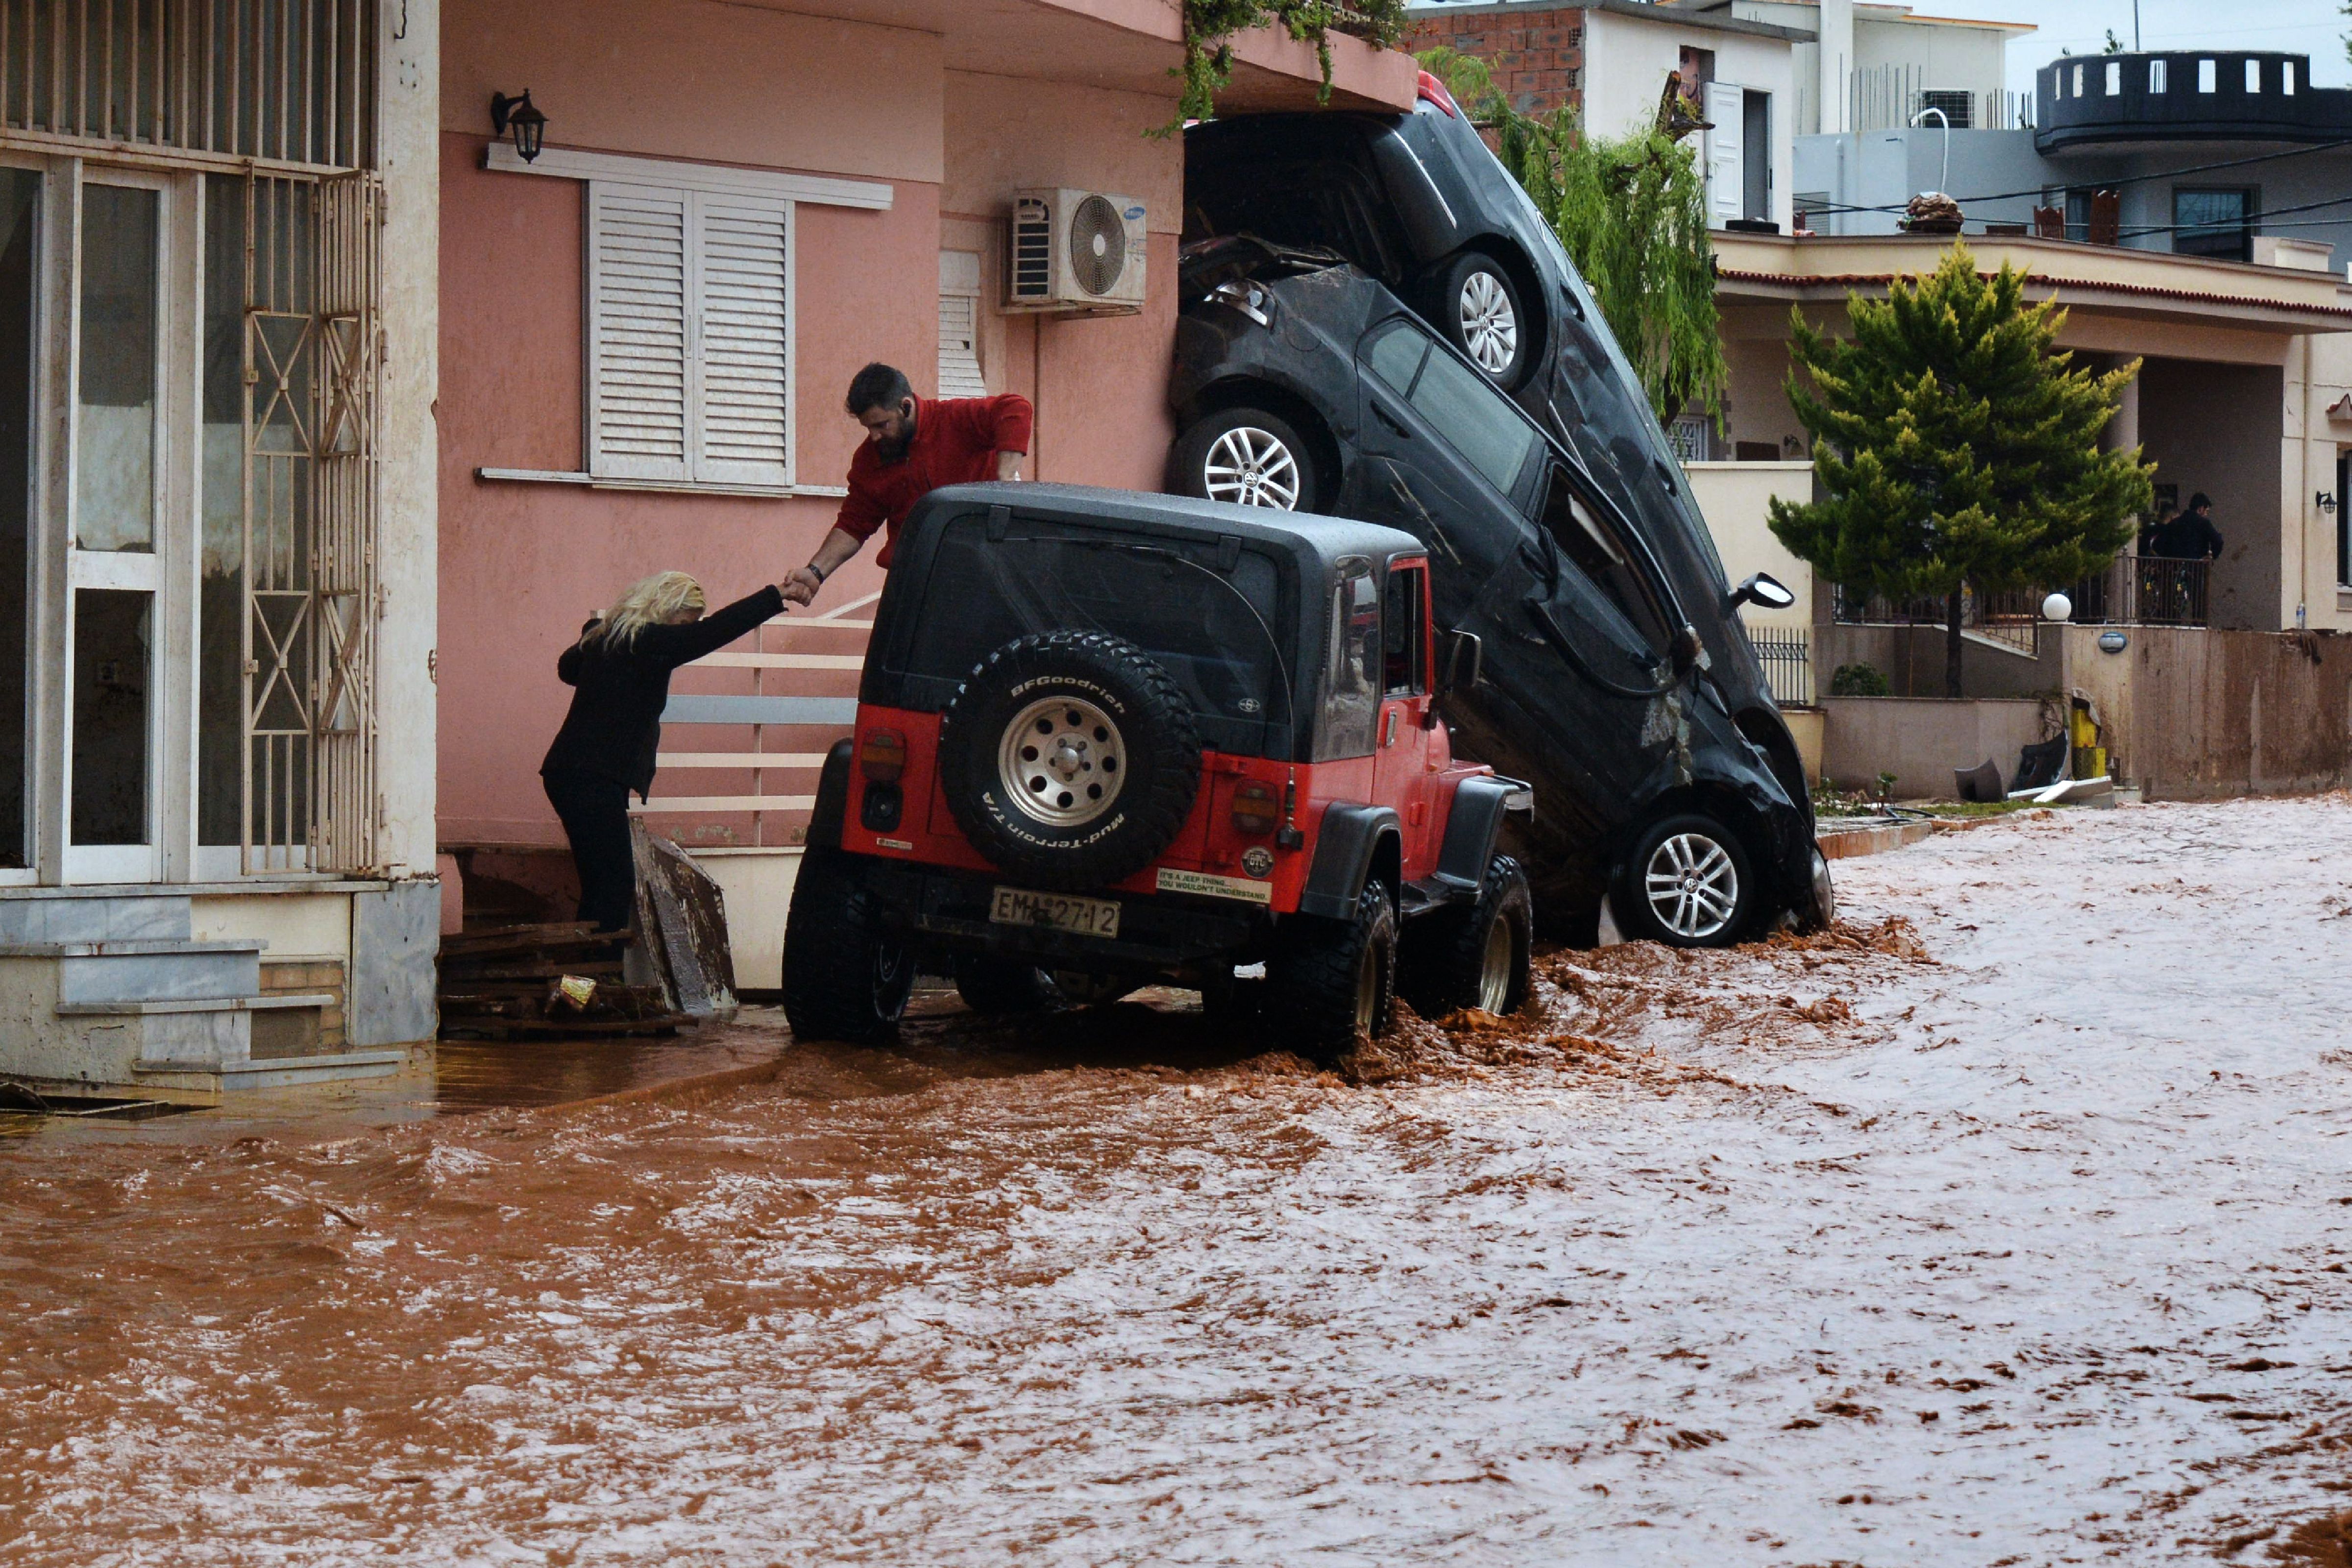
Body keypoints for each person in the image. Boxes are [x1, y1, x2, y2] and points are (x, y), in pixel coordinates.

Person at [541, 571, 787, 932]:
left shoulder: (613, 639)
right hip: (591, 777)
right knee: (613, 887)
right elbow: (712, 633)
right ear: (666, 609)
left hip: (575, 774)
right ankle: (588, 983)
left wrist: (595, 634)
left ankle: (581, 984)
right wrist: (773, 597)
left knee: (601, 885)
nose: (687, 630)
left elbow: (568, 669)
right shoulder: (644, 641)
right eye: (685, 621)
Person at [782, 363, 1033, 605]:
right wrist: (815, 572)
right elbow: (853, 525)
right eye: (868, 427)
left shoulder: (954, 420)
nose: (874, 436)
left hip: (981, 575)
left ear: (906, 406)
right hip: (912, 583)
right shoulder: (869, 459)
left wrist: (1005, 485)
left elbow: (1015, 409)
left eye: (882, 425)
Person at [2151, 492, 2225, 562]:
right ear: (2201, 509)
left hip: (2175, 568)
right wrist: (2212, 556)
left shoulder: (2174, 523)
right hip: (2197, 568)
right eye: (2206, 511)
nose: (2206, 515)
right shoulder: (2204, 523)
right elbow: (2218, 541)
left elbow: (2157, 545)